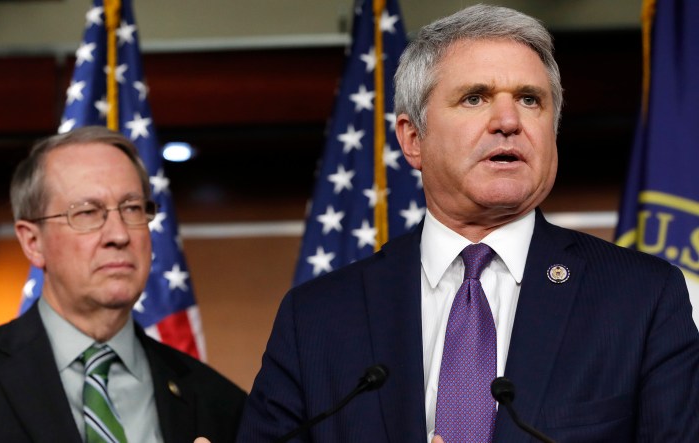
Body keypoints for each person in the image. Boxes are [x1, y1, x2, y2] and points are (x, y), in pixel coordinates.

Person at [237, 4, 699, 442]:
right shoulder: (316, 319)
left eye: (529, 99)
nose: (508, 121)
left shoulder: (642, 299)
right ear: (413, 139)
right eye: (475, 98)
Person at [0, 126, 246, 443]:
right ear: (32, 242)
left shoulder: (218, 403)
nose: (119, 235)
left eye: (132, 209)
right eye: (86, 213)